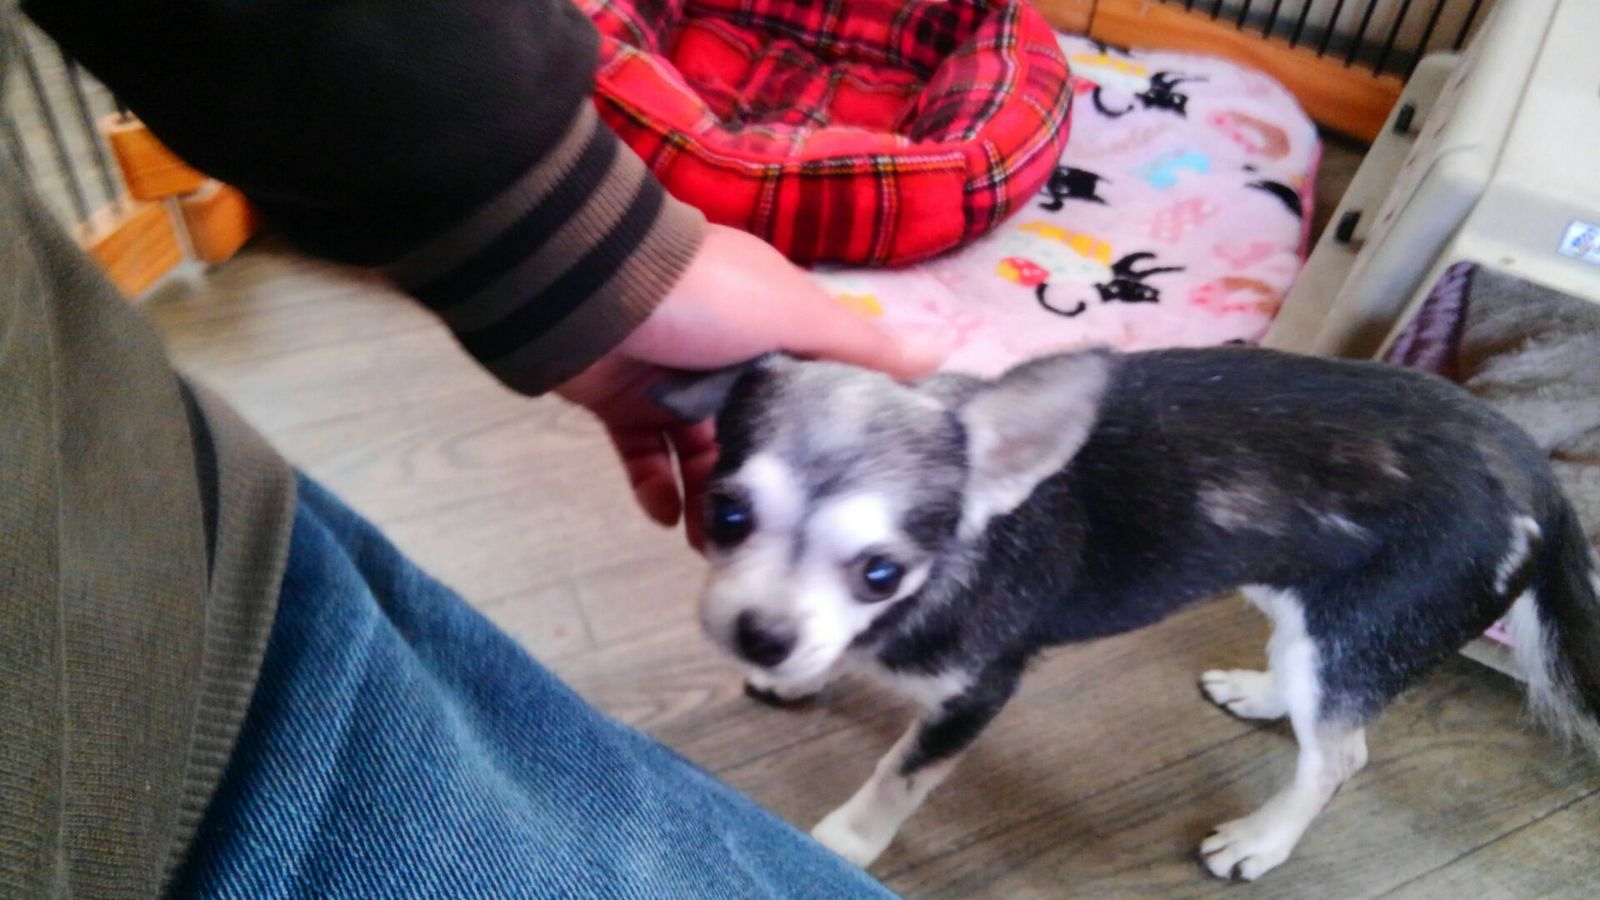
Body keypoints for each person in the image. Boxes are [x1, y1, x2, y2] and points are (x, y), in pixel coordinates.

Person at [0, 0, 946, 896]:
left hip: (153, 497)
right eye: (734, 517)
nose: (773, 615)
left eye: (871, 572)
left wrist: (571, 247)